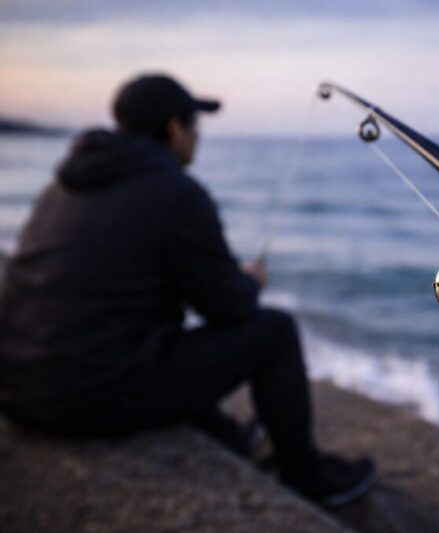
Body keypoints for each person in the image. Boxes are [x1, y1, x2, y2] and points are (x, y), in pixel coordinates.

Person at [0, 73, 377, 508]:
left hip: (16, 390)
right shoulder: (176, 193)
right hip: (80, 401)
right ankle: (308, 476)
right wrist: (248, 282)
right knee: (274, 332)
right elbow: (229, 310)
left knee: (142, 323)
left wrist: (221, 277)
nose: (198, 137)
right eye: (195, 126)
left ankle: (226, 432)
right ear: (174, 129)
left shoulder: (64, 188)